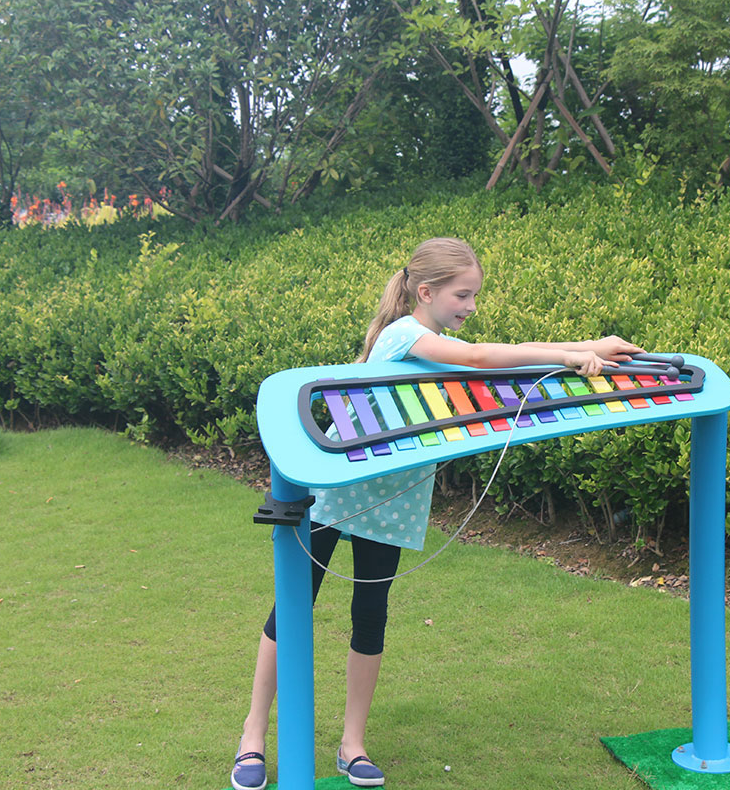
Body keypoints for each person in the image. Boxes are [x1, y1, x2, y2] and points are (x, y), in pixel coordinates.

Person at [232, 237, 642, 789]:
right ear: (425, 292)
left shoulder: (438, 340)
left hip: (395, 501)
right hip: (340, 486)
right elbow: (480, 356)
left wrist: (592, 345)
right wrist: (571, 353)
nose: (471, 306)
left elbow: (496, 353)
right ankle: (252, 736)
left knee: (370, 614)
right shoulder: (405, 334)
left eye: (474, 295)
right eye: (463, 294)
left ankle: (352, 745)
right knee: (292, 606)